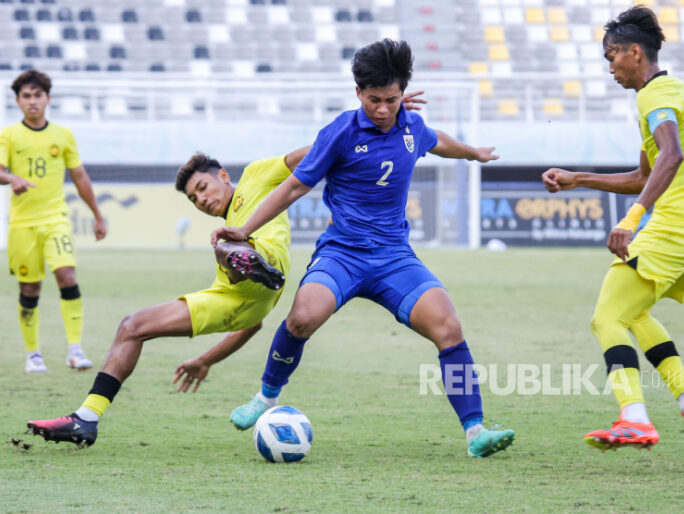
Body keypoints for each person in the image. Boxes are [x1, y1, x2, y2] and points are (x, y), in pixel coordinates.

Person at [24, 90, 428, 447]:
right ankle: (86, 419)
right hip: (236, 295)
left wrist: (378, 121)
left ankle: (252, 261)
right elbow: (249, 325)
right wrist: (206, 360)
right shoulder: (222, 235)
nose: (200, 200)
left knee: (226, 240)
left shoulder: (257, 174)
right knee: (132, 325)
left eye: (202, 188)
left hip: (265, 258)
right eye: (194, 200)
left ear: (222, 175)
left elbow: (319, 147)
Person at [214, 39, 515, 458]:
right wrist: (243, 228)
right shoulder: (339, 133)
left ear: (401, 94)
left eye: (391, 100)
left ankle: (475, 430)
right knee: (302, 318)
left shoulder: (409, 123)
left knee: (449, 328)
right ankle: (266, 398)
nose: (382, 109)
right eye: (373, 100)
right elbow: (294, 186)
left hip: (394, 257)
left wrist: (471, 154)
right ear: (358, 93)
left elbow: (436, 139)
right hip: (343, 253)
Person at [541, 6, 684, 451]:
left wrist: (631, 219)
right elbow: (646, 174)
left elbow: (672, 155)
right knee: (634, 314)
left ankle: (635, 417)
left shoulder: (652, 97)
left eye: (611, 56)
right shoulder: (672, 91)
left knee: (607, 318)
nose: (609, 67)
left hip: (677, 226)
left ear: (634, 52)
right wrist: (577, 178)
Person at [0, 70, 106, 373]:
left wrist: (97, 214)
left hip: (56, 219)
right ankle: (33, 354)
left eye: (37, 95)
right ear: (17, 101)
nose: (32, 101)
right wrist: (12, 177)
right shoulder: (9, 135)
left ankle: (75, 349)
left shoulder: (63, 135)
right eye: (26, 96)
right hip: (22, 225)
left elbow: (79, 176)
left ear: (47, 99)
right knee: (30, 289)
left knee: (67, 276)